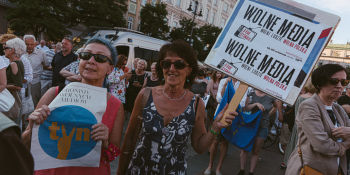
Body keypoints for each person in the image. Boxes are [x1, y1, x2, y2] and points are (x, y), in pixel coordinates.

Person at [117, 40, 237, 175]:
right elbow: (129, 139)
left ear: (189, 70)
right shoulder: (145, 95)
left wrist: (214, 128)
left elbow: (199, 147)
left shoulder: (196, 104)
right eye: (166, 64)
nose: (172, 69)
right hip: (139, 169)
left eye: (179, 64)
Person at [21, 37, 125, 175]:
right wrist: (32, 128)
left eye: (100, 58)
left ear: (110, 69)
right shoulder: (54, 94)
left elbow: (113, 155)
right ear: (79, 60)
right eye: (86, 55)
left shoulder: (115, 105)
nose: (91, 61)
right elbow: (24, 144)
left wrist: (105, 142)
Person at [286, 64, 350, 175]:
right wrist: (344, 146)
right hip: (312, 168)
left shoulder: (338, 108)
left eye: (344, 82)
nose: (340, 86)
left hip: (337, 169)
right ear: (320, 83)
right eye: (334, 81)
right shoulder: (309, 106)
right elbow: (321, 144)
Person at [239, 89, 283, 175]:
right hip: (250, 125)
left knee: (256, 151)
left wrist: (268, 115)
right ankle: (242, 170)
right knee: (244, 149)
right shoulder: (251, 93)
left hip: (263, 126)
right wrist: (256, 104)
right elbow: (246, 108)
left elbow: (275, 106)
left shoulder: (271, 95)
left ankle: (251, 172)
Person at [280, 78, 317, 168]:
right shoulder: (314, 99)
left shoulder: (301, 97)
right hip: (307, 128)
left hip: (297, 126)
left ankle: (289, 163)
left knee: (293, 146)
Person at [2, 38, 25, 124]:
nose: (4, 50)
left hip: (12, 98)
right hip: (13, 98)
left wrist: (3, 85)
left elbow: (18, 86)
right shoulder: (18, 62)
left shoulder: (14, 64)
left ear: (12, 50)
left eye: (6, 48)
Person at [23, 35, 49, 108]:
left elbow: (46, 64)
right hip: (22, 83)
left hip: (35, 82)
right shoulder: (20, 52)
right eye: (27, 44)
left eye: (31, 44)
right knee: (23, 103)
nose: (29, 46)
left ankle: (32, 118)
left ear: (35, 44)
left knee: (35, 102)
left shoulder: (41, 53)